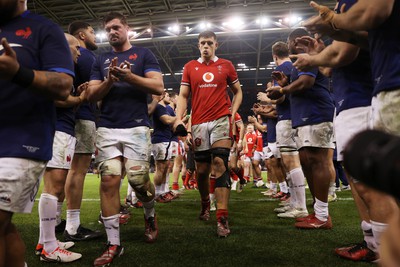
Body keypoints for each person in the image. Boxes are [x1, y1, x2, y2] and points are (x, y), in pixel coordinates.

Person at [301, 0, 400, 261]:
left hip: (368, 96)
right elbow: (340, 57)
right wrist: (329, 36)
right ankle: (373, 243)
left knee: (372, 183)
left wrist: (333, 22)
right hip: (364, 95)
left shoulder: (351, 4)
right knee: (364, 180)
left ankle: (380, 248)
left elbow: (344, 52)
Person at [0, 0, 75, 265]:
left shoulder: (43, 29)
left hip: (22, 141)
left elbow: (64, 85)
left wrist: (18, 72)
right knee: (4, 226)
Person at [86, 12, 164, 267]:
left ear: (127, 29)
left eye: (116, 27)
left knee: (139, 180)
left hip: (136, 127)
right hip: (107, 127)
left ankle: (150, 215)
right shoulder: (101, 59)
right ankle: (113, 244)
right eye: (107, 29)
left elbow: (158, 87)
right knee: (109, 181)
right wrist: (110, 79)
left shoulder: (144, 55)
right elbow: (91, 94)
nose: (111, 33)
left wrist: (129, 77)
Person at [173, 30, 242, 238]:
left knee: (220, 163)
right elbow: (183, 96)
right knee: (201, 170)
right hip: (199, 123)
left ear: (216, 45)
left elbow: (238, 91)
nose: (205, 46)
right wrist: (179, 119)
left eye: (209, 43)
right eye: (202, 43)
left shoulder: (226, 66)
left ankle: (222, 217)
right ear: (198, 45)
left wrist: (232, 113)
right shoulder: (189, 67)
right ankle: (205, 203)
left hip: (221, 119)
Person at [267, 28, 336, 229]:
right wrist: (286, 83)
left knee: (318, 162)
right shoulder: (299, 61)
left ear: (291, 42)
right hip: (304, 114)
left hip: (316, 111)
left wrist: (282, 89)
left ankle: (323, 216)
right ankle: (318, 212)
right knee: (307, 161)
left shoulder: (307, 56)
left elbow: (307, 82)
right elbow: (300, 82)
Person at [36, 33, 85, 263]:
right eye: (76, 47)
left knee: (53, 187)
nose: (79, 52)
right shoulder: (58, 66)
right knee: (54, 187)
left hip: (58, 129)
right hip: (58, 130)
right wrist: (79, 99)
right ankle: (48, 248)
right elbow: (55, 98)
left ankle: (45, 241)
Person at [63, 20, 102, 241]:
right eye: (92, 31)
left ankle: (59, 223)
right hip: (82, 115)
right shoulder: (87, 57)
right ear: (81, 35)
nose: (95, 35)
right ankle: (73, 226)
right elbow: (95, 89)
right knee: (77, 171)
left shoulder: (64, 55)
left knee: (64, 171)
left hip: (67, 117)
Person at [152, 91, 177, 203]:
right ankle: (157, 194)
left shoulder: (164, 108)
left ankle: (162, 192)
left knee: (165, 167)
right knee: (160, 168)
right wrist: (178, 118)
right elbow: (166, 120)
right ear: (162, 96)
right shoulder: (159, 107)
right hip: (160, 140)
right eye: (167, 96)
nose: (169, 98)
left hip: (164, 140)